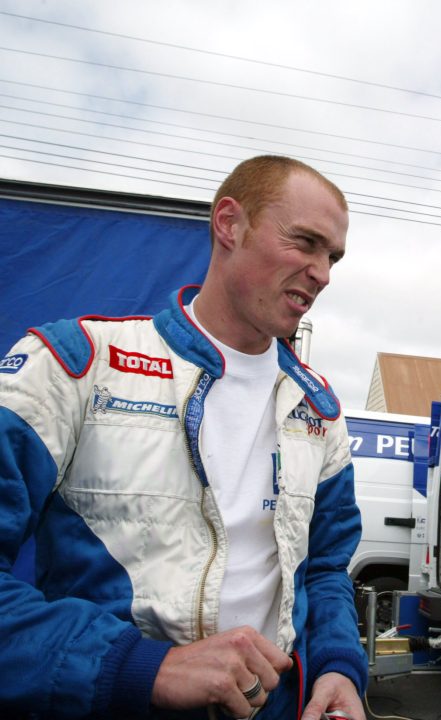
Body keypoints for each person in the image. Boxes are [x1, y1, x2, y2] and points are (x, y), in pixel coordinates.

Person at [0, 156, 368, 720]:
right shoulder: (77, 364)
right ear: (229, 224)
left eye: (333, 257)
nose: (323, 273)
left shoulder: (318, 407)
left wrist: (338, 666)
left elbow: (324, 570)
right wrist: (142, 666)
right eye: (306, 243)